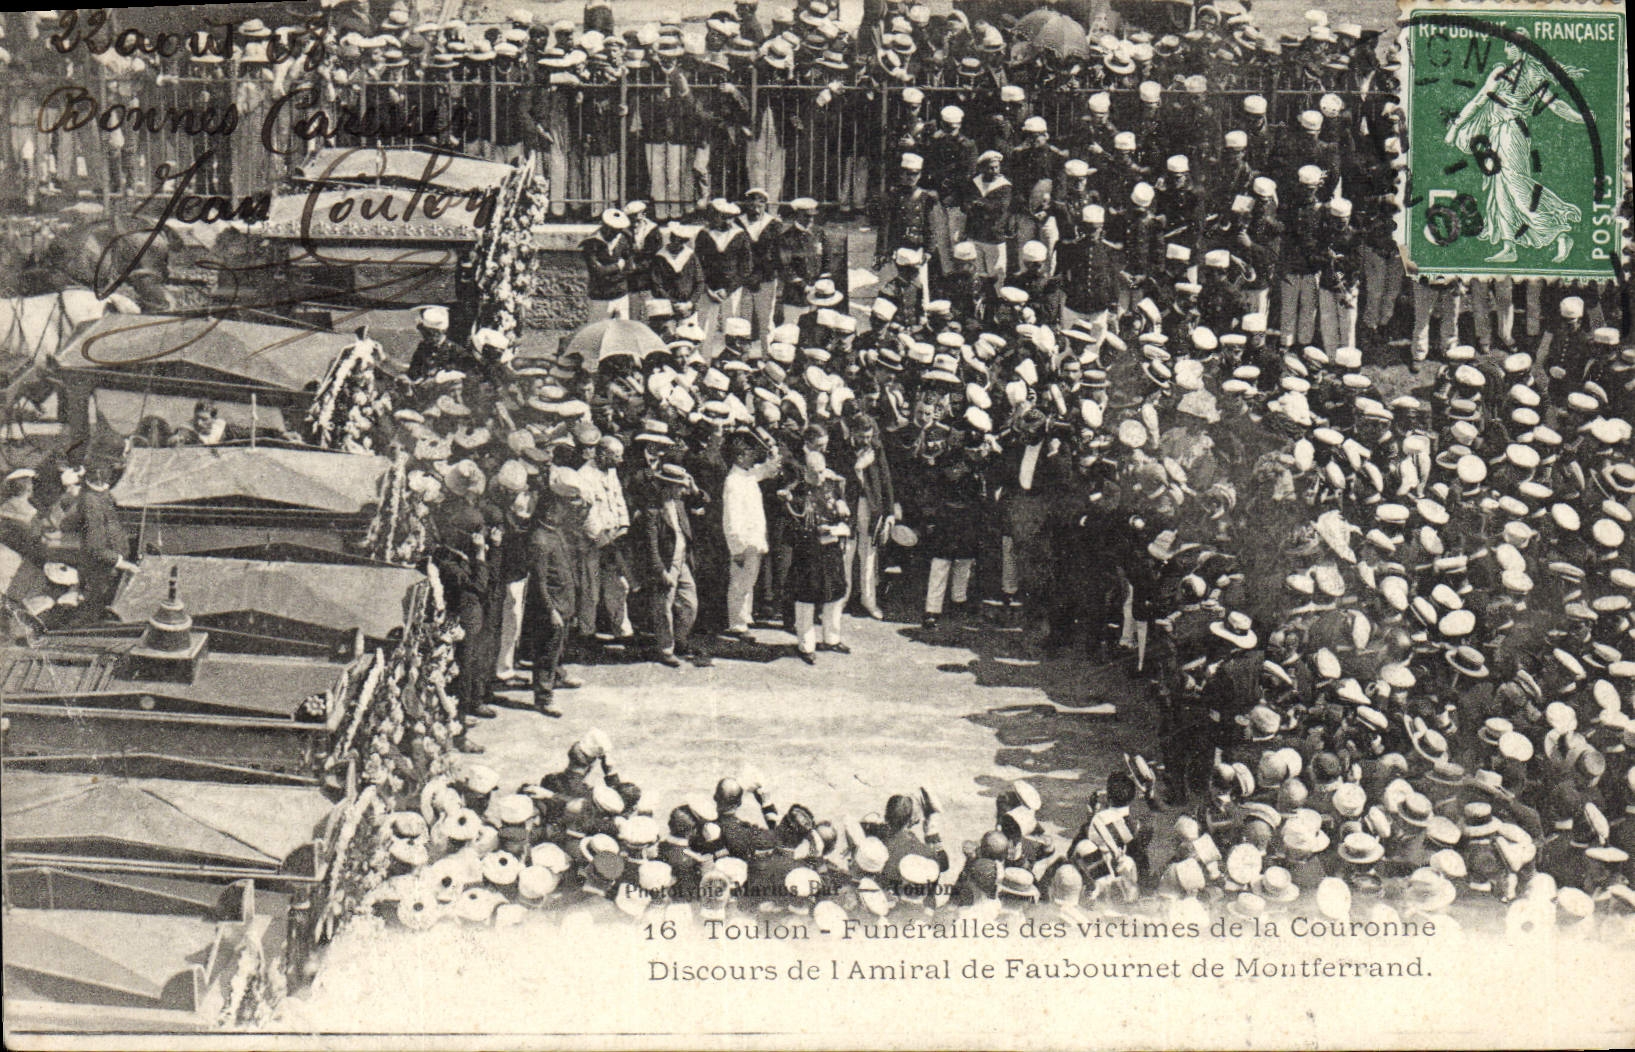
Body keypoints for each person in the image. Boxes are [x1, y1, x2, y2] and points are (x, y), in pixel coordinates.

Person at [782, 440, 850, 664]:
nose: (820, 477)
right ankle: (806, 645)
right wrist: (812, 531)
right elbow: (793, 523)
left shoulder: (832, 485)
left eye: (822, 471)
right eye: (814, 473)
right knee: (806, 598)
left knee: (835, 594)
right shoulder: (797, 491)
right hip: (809, 553)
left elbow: (842, 511)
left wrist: (842, 515)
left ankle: (831, 639)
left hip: (831, 549)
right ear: (806, 471)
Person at [631, 461, 702, 667]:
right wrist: (661, 571)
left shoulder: (678, 503)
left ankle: (679, 639)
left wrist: (693, 484)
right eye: (679, 486)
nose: (683, 490)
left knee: (690, 603)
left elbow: (701, 499)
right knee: (663, 607)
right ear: (668, 486)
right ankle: (666, 649)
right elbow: (651, 546)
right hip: (666, 563)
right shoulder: (652, 510)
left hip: (682, 560)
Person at [721, 429, 781, 638]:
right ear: (738, 456)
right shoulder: (733, 481)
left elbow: (769, 469)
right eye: (748, 453)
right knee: (739, 583)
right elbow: (731, 518)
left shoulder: (747, 475)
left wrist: (773, 454)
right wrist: (736, 547)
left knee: (749, 581)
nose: (753, 455)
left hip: (754, 539)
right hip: (743, 542)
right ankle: (736, 623)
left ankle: (744, 617)